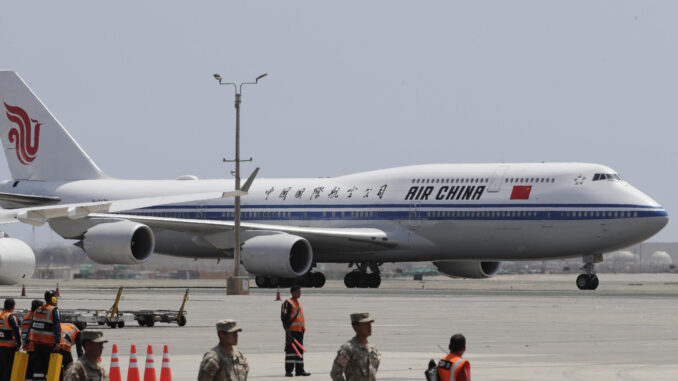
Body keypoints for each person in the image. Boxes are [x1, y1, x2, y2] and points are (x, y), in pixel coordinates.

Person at [330, 313, 380, 381]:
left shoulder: (373, 350)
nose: (369, 326)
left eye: (370, 323)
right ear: (355, 327)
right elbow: (335, 373)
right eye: (365, 324)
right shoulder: (348, 349)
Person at [26, 290, 61, 380]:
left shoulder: (37, 310)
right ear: (53, 299)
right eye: (55, 298)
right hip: (48, 344)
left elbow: (31, 326)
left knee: (38, 369)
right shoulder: (54, 310)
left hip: (37, 344)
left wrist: (27, 340)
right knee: (48, 368)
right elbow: (57, 326)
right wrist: (58, 342)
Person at [281, 286, 310, 377]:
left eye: (300, 291)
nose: (299, 293)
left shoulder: (297, 303)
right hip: (291, 331)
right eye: (298, 292)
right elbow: (284, 318)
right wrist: (287, 331)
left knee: (299, 351)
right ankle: (289, 371)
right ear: (293, 292)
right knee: (290, 351)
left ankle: (300, 370)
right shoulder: (288, 303)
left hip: (299, 331)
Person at [0, 298, 22, 381]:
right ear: (12, 307)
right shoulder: (11, 317)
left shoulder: (0, 315)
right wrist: (19, 345)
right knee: (8, 368)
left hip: (0, 347)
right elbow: (16, 331)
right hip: (9, 348)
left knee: (1, 367)